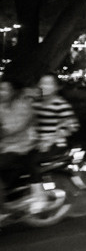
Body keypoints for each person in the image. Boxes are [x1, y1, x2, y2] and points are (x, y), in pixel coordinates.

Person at [0, 80, 45, 213]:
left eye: (4, 89)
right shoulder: (2, 106)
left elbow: (15, 127)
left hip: (23, 145)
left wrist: (3, 133)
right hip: (7, 145)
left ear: (13, 91)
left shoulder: (22, 105)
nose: (1, 92)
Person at [33, 74, 79, 160]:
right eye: (41, 83)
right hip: (35, 144)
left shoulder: (61, 105)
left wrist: (50, 141)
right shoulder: (35, 104)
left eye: (48, 84)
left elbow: (72, 127)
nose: (44, 86)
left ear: (56, 87)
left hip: (55, 144)